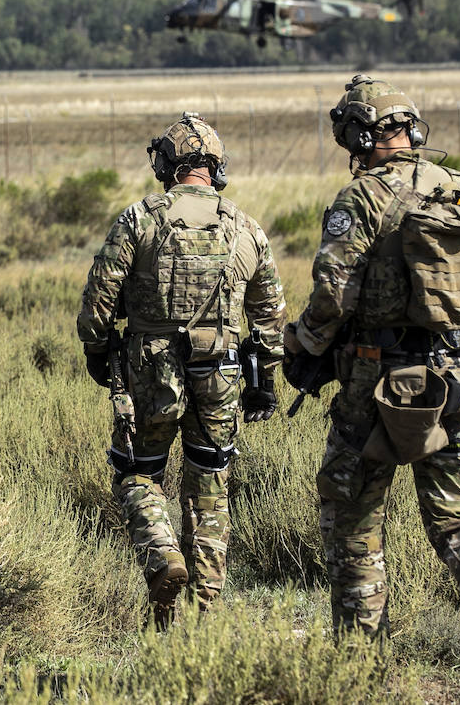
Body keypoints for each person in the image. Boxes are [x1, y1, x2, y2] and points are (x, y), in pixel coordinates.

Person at [284, 76, 460, 703]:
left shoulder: (360, 198)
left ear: (359, 132)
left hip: (372, 388)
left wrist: (300, 345)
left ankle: (360, 674)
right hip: (457, 385)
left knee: (353, 520)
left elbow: (332, 296)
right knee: (457, 523)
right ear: (411, 128)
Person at [77, 113, 285, 629]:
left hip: (150, 371)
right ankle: (201, 608)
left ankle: (162, 552)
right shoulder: (245, 226)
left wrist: (98, 349)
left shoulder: (138, 219)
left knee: (137, 472)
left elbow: (98, 300)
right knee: (210, 482)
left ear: (168, 165)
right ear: (216, 168)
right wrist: (266, 375)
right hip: (221, 372)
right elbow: (271, 313)